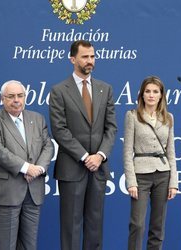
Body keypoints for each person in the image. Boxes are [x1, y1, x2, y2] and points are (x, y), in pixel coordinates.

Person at [49, 40, 117, 250]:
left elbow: (111, 128)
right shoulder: (59, 90)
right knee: (70, 226)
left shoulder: (105, 89)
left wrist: (100, 156)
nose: (90, 61)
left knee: (95, 226)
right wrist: (85, 156)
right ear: (73, 59)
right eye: (85, 57)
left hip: (98, 169)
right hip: (72, 168)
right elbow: (59, 130)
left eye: (92, 56)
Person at [0, 80, 53, 250]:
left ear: (25, 97)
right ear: (2, 99)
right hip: (7, 192)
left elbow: (48, 146)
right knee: (4, 245)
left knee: (29, 245)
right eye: (11, 96)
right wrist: (27, 168)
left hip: (33, 190)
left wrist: (39, 169)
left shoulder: (37, 118)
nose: (16, 100)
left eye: (20, 96)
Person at [123, 76, 178, 250]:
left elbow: (171, 152)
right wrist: (131, 181)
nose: (151, 95)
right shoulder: (132, 116)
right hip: (140, 175)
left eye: (155, 91)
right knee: (137, 224)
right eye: (148, 91)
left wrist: (173, 182)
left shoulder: (168, 117)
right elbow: (126, 152)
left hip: (163, 174)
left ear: (161, 95)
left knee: (158, 226)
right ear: (142, 94)